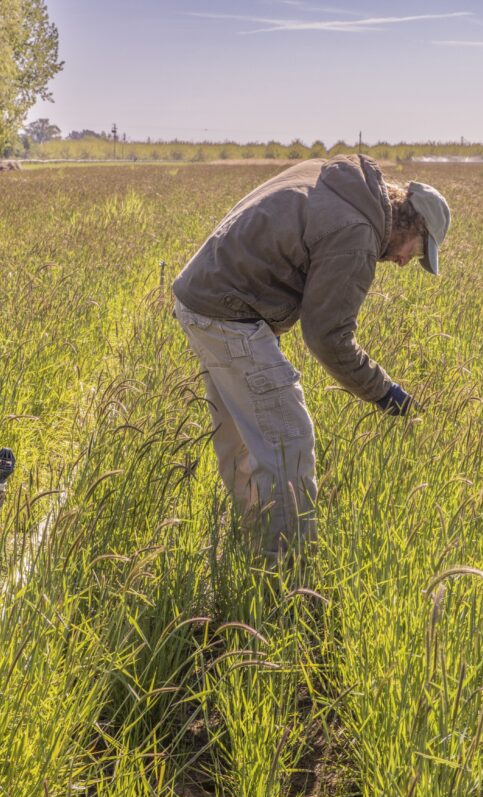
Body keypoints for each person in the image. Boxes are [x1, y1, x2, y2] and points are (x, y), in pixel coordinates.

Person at [171, 155, 450, 561]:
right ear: (412, 224)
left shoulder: (338, 179)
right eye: (417, 252)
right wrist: (387, 394)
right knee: (289, 442)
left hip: (201, 296)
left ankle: (252, 550)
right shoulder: (357, 230)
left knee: (244, 440)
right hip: (231, 314)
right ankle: (286, 577)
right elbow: (327, 337)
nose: (406, 262)